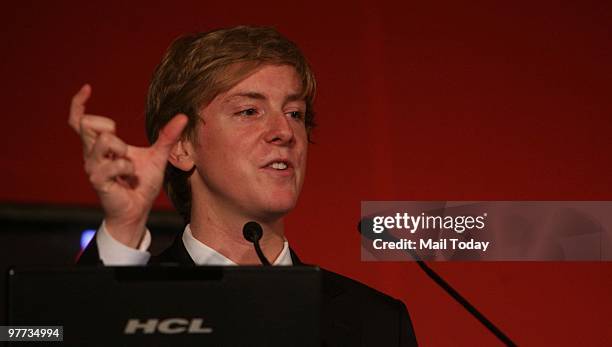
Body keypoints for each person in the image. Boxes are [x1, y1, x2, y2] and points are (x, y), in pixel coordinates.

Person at [70, 26, 418, 346]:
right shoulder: (131, 300)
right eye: (249, 111)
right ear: (181, 146)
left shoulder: (376, 323)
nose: (284, 131)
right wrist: (124, 227)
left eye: (295, 112)